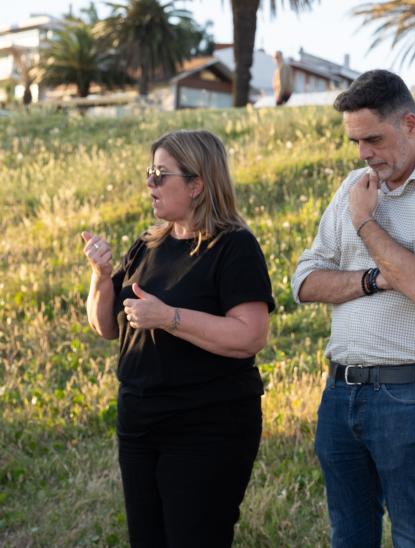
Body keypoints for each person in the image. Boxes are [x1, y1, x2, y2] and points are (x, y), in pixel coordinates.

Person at [291, 69, 415, 547]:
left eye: (372, 139)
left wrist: (364, 224)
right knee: (348, 536)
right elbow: (304, 282)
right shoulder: (353, 187)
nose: (363, 154)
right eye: (355, 142)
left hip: (410, 393)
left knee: (414, 538)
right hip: (339, 392)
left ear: (410, 124)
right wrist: (375, 278)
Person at [81, 129, 274, 547]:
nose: (149, 184)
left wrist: (169, 318)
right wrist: (100, 278)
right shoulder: (148, 245)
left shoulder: (234, 247)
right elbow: (106, 327)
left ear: (196, 184)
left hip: (206, 425)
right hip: (140, 420)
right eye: (150, 172)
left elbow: (250, 335)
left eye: (159, 174)